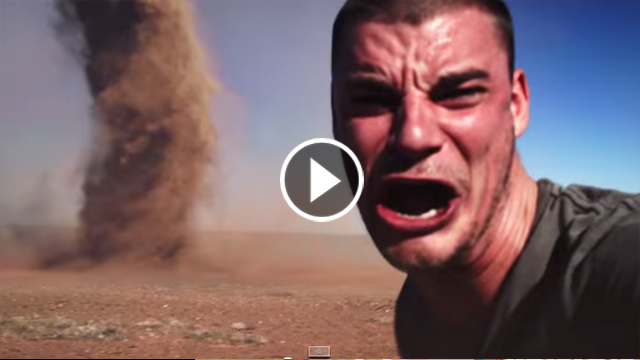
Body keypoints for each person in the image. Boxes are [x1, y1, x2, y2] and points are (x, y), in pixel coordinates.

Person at [329, 0, 639, 357]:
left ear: (516, 105)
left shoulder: (614, 273)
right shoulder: (417, 311)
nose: (413, 135)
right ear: (336, 117)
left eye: (459, 94)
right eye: (371, 99)